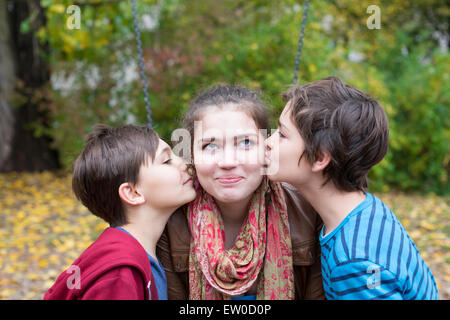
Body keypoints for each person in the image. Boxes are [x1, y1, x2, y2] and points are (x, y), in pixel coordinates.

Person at [265, 76, 439, 300]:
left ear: (319, 157)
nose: (268, 141)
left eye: (282, 135)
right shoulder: (366, 210)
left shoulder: (353, 261)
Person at [156, 85, 325, 300]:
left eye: (245, 143)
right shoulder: (169, 221)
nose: (228, 162)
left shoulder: (308, 210)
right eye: (210, 146)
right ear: (192, 155)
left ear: (266, 148)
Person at [44, 124, 196, 300]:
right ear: (133, 193)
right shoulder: (119, 274)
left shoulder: (140, 254)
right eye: (166, 161)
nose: (184, 164)